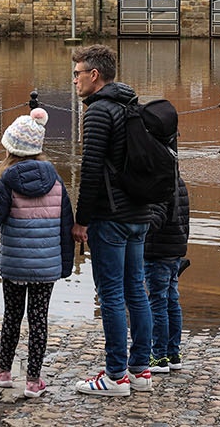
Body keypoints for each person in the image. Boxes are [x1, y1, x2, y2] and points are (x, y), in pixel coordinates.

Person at [70, 44, 156, 397]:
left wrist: (81, 220)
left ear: (94, 75)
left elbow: (91, 170)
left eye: (77, 74)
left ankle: (115, 376)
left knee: (110, 296)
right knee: (137, 290)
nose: (74, 80)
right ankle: (141, 371)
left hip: (112, 216)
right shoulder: (132, 105)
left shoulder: (98, 112)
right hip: (139, 212)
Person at [0, 107, 73, 399]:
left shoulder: (6, 181)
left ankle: (4, 372)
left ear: (10, 149)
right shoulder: (56, 180)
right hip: (46, 267)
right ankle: (34, 381)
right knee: (39, 319)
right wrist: (64, 266)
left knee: (12, 316)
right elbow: (66, 225)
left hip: (15, 265)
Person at [145, 173, 190, 375]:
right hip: (175, 250)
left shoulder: (157, 181)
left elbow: (155, 219)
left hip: (158, 251)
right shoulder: (178, 180)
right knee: (172, 301)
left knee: (158, 303)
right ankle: (173, 354)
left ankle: (159, 356)